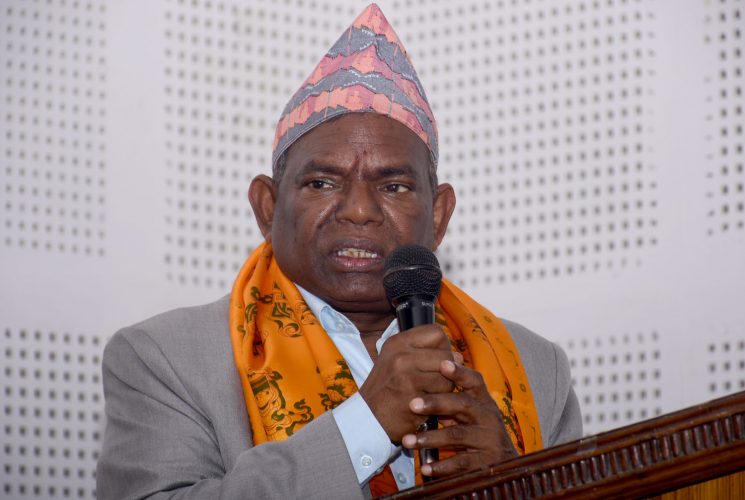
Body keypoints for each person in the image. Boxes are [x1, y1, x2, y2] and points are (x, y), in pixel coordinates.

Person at [96, 4, 581, 499]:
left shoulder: (534, 369)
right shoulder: (166, 359)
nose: (359, 211)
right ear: (267, 207)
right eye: (322, 183)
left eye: (393, 187)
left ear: (438, 216)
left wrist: (516, 481)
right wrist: (364, 426)